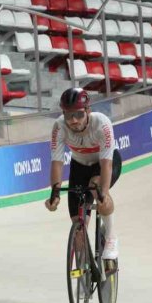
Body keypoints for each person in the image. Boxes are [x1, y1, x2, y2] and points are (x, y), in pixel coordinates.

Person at [45, 87, 121, 261]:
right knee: (78, 229)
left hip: (105, 163)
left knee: (97, 188)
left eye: (79, 114)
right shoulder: (59, 126)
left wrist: (104, 193)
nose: (73, 120)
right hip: (79, 166)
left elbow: (106, 164)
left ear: (88, 111)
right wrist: (55, 193)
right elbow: (57, 162)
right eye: (69, 115)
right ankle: (85, 272)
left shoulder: (102, 123)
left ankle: (111, 238)